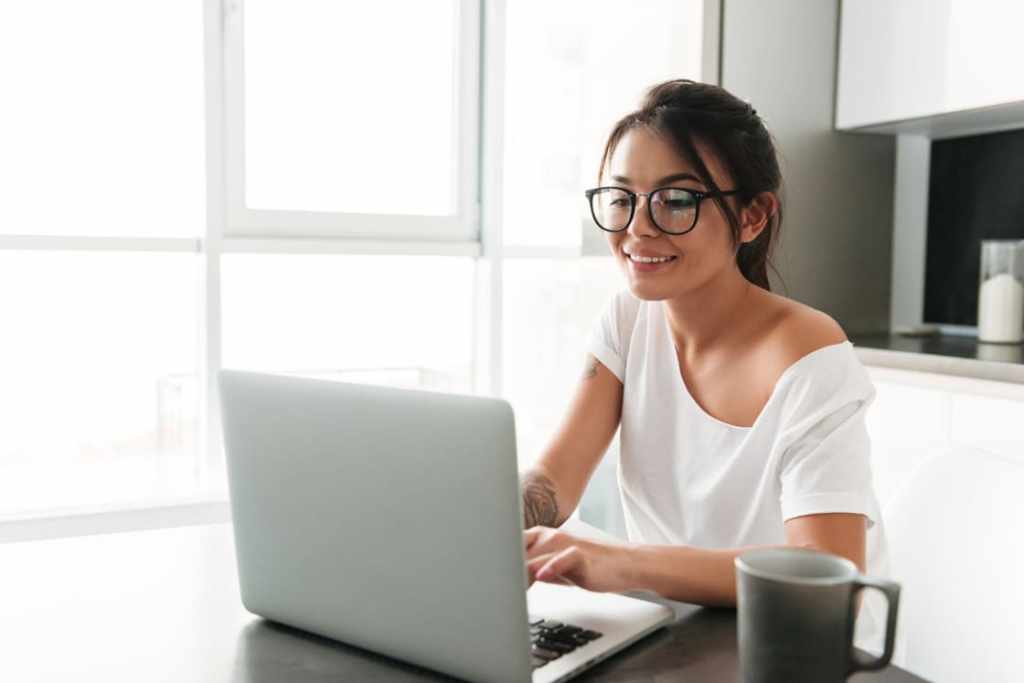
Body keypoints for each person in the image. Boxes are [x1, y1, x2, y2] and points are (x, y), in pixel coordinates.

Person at [520, 79, 888, 621]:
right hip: (680, 631)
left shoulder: (811, 357)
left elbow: (828, 567)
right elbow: (554, 484)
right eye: (621, 199)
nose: (637, 229)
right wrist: (487, 517)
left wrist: (623, 561)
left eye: (676, 200)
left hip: (805, 644)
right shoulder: (627, 319)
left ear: (752, 216)